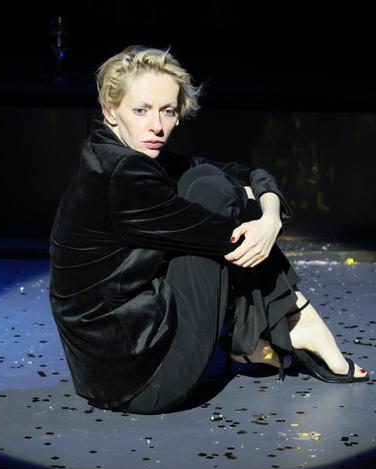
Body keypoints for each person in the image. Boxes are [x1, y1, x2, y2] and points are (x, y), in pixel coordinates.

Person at [49, 45, 369, 415]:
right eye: (141, 110)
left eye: (168, 111)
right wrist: (265, 224)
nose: (157, 126)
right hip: (147, 380)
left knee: (207, 180)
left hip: (105, 374)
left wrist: (271, 214)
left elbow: (241, 173)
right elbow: (229, 233)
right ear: (110, 110)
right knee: (210, 189)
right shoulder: (123, 177)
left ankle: (260, 335)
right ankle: (295, 316)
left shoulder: (114, 155)